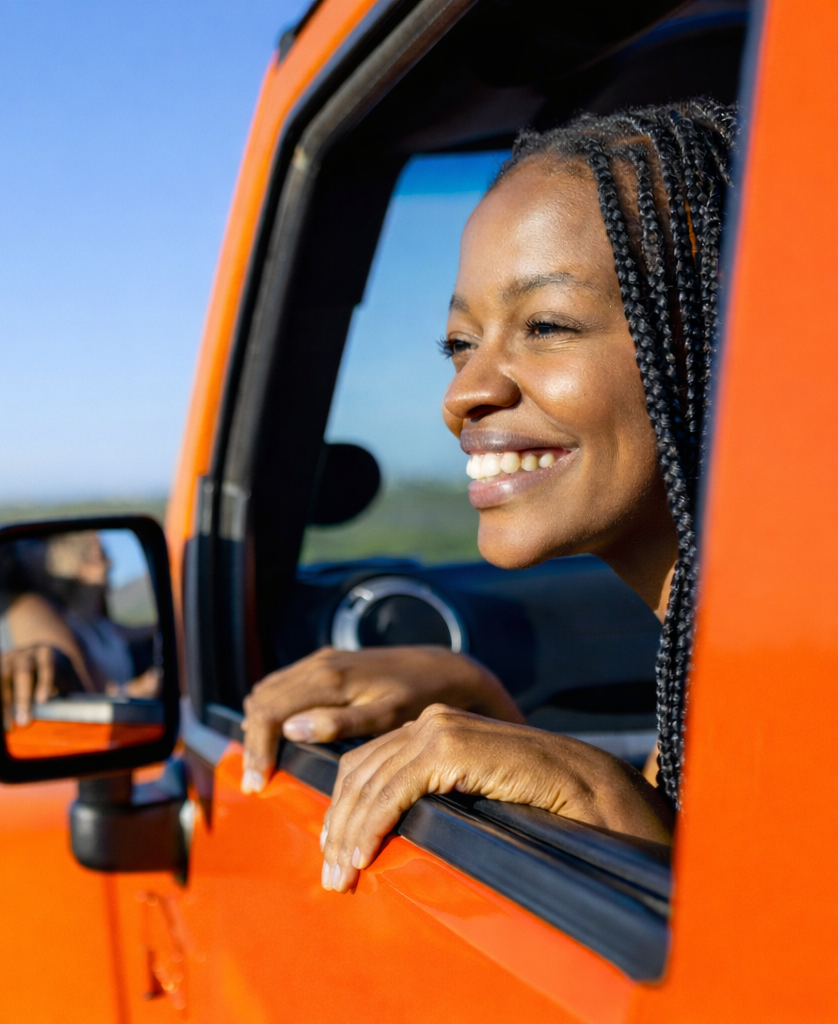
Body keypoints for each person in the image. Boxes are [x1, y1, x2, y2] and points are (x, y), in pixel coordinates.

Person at [238, 100, 737, 892]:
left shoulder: (788, 683)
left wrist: (591, 791)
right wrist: (488, 714)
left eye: (545, 326)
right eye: (459, 344)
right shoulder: (718, 664)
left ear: (722, 342)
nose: (463, 393)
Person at [0, 531, 159, 727]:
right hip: (122, 722)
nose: (111, 563)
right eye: (101, 557)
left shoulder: (102, 624)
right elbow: (105, 694)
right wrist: (152, 682)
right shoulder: (70, 631)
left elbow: (147, 630)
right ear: (78, 568)